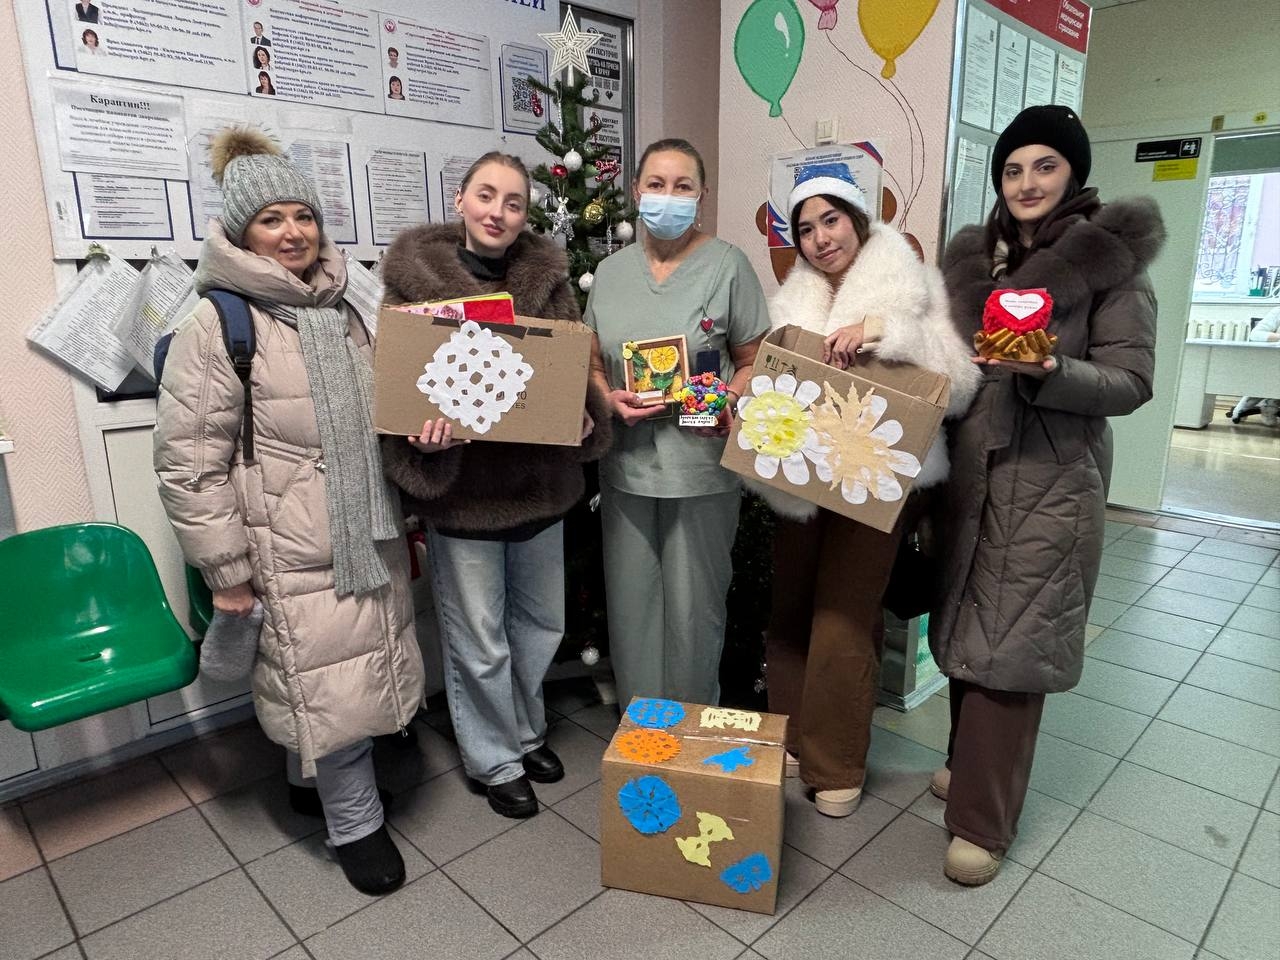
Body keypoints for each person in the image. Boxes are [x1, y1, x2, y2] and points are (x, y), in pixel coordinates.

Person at [154, 128, 424, 896]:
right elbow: (189, 465)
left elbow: (384, 414)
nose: (293, 231)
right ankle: (355, 824)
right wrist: (229, 574)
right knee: (326, 686)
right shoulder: (219, 324)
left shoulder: (346, 308)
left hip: (363, 533)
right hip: (288, 549)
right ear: (243, 232)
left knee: (347, 675)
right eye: (271, 219)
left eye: (303, 215)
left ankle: (315, 784)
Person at [932, 105, 1164, 885]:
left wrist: (1051, 371)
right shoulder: (979, 261)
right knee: (967, 630)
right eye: (1012, 169)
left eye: (1045, 166)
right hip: (971, 472)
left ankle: (982, 823)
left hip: (1051, 479)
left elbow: (1131, 381)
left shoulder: (1111, 264)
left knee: (1013, 648)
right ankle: (967, 767)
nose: (1026, 182)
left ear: (1074, 173)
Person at [379, 152, 613, 819]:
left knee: (540, 626)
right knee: (479, 640)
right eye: (486, 196)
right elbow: (396, 391)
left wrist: (581, 418)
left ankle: (526, 733)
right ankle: (494, 759)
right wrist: (420, 443)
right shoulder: (413, 287)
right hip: (467, 500)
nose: (498, 212)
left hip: (540, 491)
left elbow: (573, 373)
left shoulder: (551, 283)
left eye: (513, 203)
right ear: (460, 200)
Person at [756, 163, 979, 818]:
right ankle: (791, 737)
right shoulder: (790, 299)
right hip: (800, 479)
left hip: (874, 481)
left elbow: (960, 383)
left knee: (845, 617)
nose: (821, 238)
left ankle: (835, 762)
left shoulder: (911, 283)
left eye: (831, 220)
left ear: (856, 220)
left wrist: (882, 331)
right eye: (806, 229)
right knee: (790, 610)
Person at [585, 138, 771, 708]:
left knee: (695, 615)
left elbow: (755, 360)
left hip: (701, 471)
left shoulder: (728, 266)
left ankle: (690, 737)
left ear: (701, 196)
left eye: (683, 186)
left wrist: (728, 399)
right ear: (636, 191)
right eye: (657, 184)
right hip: (627, 470)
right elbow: (590, 364)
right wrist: (607, 399)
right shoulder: (610, 273)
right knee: (632, 611)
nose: (669, 196)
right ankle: (643, 733)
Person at [1228, 304, 1280, 425]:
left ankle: (1269, 404)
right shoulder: (1278, 311)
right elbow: (1255, 334)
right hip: (1273, 363)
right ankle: (1267, 404)